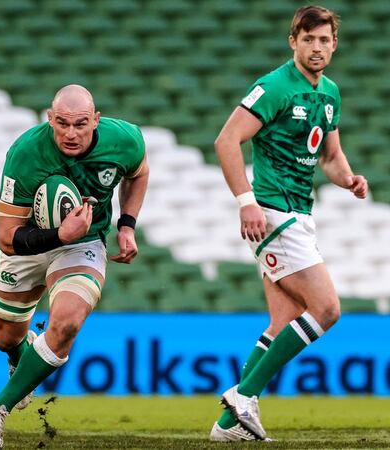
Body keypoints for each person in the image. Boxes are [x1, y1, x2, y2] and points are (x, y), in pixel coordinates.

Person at [210, 5, 368, 442]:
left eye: (324, 40)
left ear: (334, 45)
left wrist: (349, 179)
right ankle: (244, 395)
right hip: (272, 211)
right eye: (308, 39)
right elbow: (226, 140)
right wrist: (246, 202)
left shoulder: (330, 92)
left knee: (285, 322)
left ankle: (229, 427)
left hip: (300, 211)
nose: (316, 47)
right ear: (293, 41)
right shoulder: (275, 86)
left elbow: (331, 157)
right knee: (327, 309)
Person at [0, 85, 149, 449]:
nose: (71, 133)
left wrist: (127, 225)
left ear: (96, 120)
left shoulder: (126, 139)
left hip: (84, 242)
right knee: (6, 335)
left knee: (67, 321)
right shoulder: (25, 153)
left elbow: (139, 172)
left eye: (81, 124)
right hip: (30, 240)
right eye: (63, 124)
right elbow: (6, 236)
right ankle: (21, 358)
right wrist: (58, 233)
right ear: (50, 119)